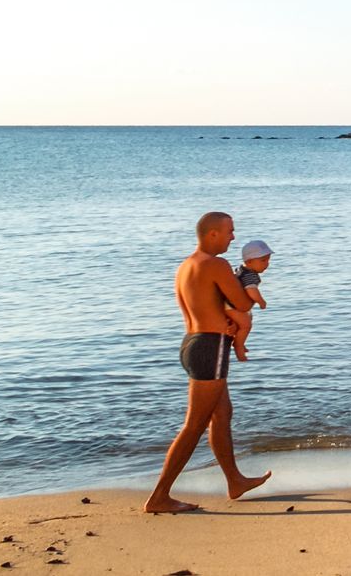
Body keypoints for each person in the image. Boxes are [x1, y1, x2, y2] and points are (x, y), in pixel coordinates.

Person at [143, 211, 271, 513]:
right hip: (210, 348)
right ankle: (160, 496)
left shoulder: (187, 266)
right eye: (229, 231)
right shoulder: (216, 264)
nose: (233, 237)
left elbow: (207, 304)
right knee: (195, 424)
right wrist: (249, 288)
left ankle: (235, 481)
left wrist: (225, 315)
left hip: (193, 343)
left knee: (222, 414)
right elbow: (242, 302)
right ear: (212, 233)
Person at [226, 239, 272, 361]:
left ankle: (239, 339)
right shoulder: (250, 275)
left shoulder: (242, 270)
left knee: (246, 319)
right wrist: (261, 301)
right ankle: (238, 346)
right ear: (249, 261)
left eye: (268, 260)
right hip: (231, 305)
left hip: (232, 304)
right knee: (246, 325)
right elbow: (251, 291)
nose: (267, 264)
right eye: (263, 260)